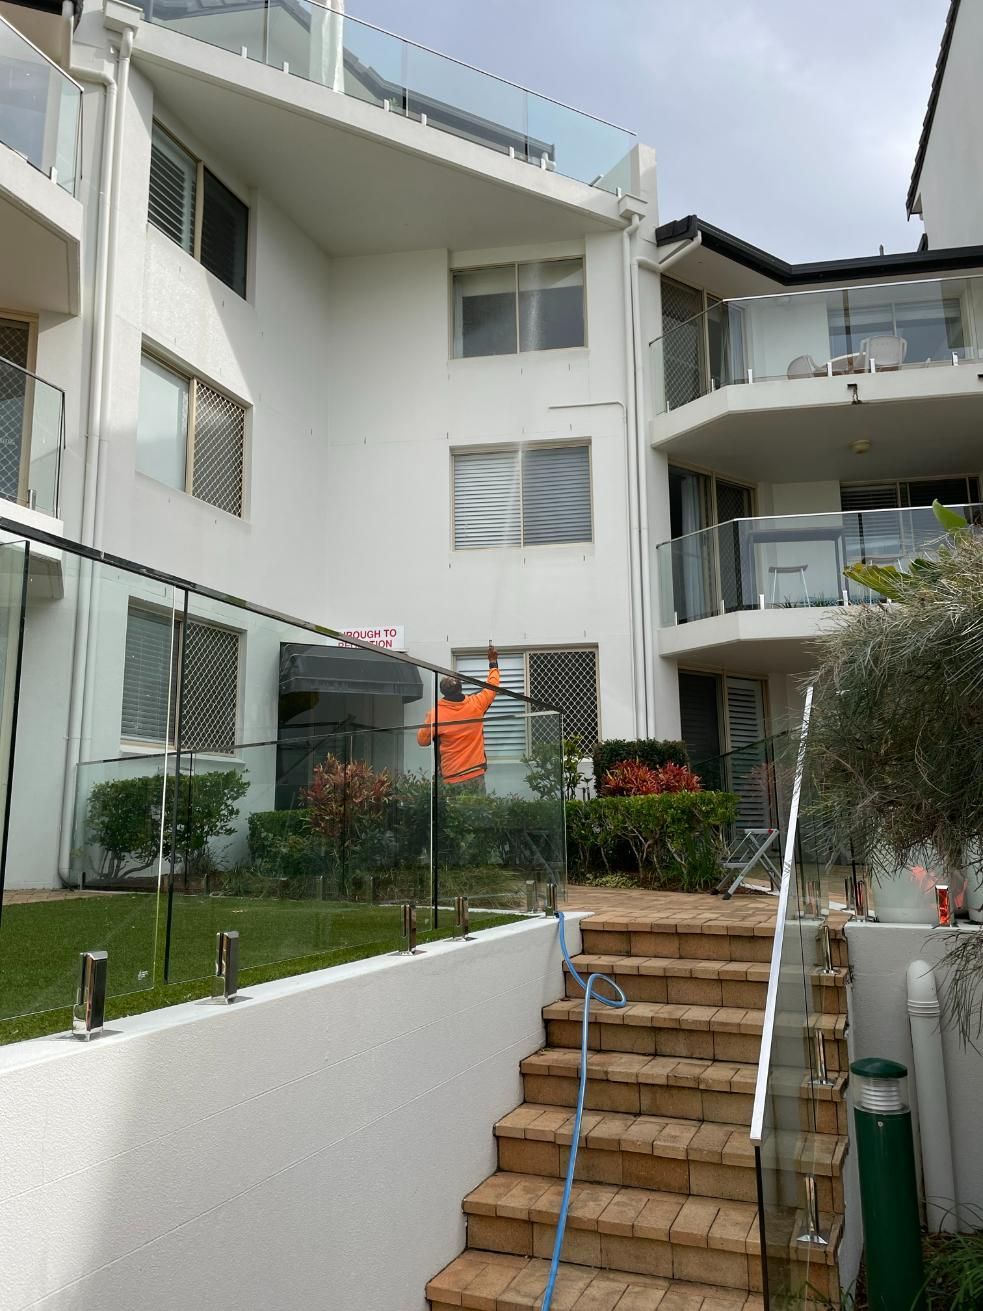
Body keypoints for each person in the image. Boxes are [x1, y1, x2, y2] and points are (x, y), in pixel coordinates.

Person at [417, 643, 500, 789]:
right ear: (461, 688)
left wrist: (428, 721)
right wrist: (493, 663)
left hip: (451, 777)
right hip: (476, 773)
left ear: (443, 692)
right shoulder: (476, 704)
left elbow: (422, 741)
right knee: (479, 811)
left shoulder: (435, 714)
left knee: (453, 812)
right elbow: (492, 686)